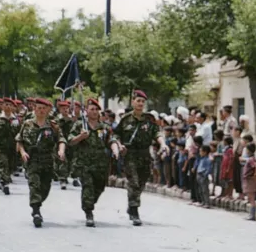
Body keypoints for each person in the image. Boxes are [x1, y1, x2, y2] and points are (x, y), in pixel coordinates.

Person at [113, 90, 169, 226]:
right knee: (134, 182)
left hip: (145, 155)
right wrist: (119, 145)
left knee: (142, 181)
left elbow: (157, 133)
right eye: (138, 101)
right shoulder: (126, 119)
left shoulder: (149, 119)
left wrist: (163, 144)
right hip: (130, 154)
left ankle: (132, 203)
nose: (140, 104)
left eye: (143, 101)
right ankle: (134, 210)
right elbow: (116, 135)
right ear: (133, 102)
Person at [68, 99, 120, 227]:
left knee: (100, 187)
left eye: (97, 109)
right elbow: (70, 141)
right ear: (86, 111)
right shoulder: (80, 125)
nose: (95, 112)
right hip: (84, 163)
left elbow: (111, 140)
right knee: (88, 186)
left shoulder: (104, 127)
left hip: (101, 164)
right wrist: (80, 137)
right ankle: (89, 212)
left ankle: (89, 202)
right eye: (92, 109)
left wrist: (115, 150)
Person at [16, 98, 67, 227]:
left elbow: (61, 139)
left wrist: (61, 151)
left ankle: (37, 203)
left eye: (44, 108)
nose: (41, 110)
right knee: (34, 185)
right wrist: (22, 152)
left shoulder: (53, 126)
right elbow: (19, 140)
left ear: (48, 110)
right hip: (32, 160)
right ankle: (36, 211)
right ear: (34, 109)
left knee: (45, 188)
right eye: (39, 108)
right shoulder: (27, 124)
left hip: (48, 161)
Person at [0, 97, 17, 195]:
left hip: (12, 147)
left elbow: (19, 133)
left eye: (9, 105)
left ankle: (3, 181)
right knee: (3, 163)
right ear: (2, 106)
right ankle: (5, 183)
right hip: (0, 147)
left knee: (10, 165)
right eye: (5, 104)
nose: (7, 106)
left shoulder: (15, 120)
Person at [242, 143, 256, 220]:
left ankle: (252, 215)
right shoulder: (251, 158)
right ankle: (251, 214)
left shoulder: (251, 159)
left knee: (251, 198)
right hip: (248, 180)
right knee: (250, 197)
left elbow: (255, 167)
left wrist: (254, 176)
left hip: (250, 181)